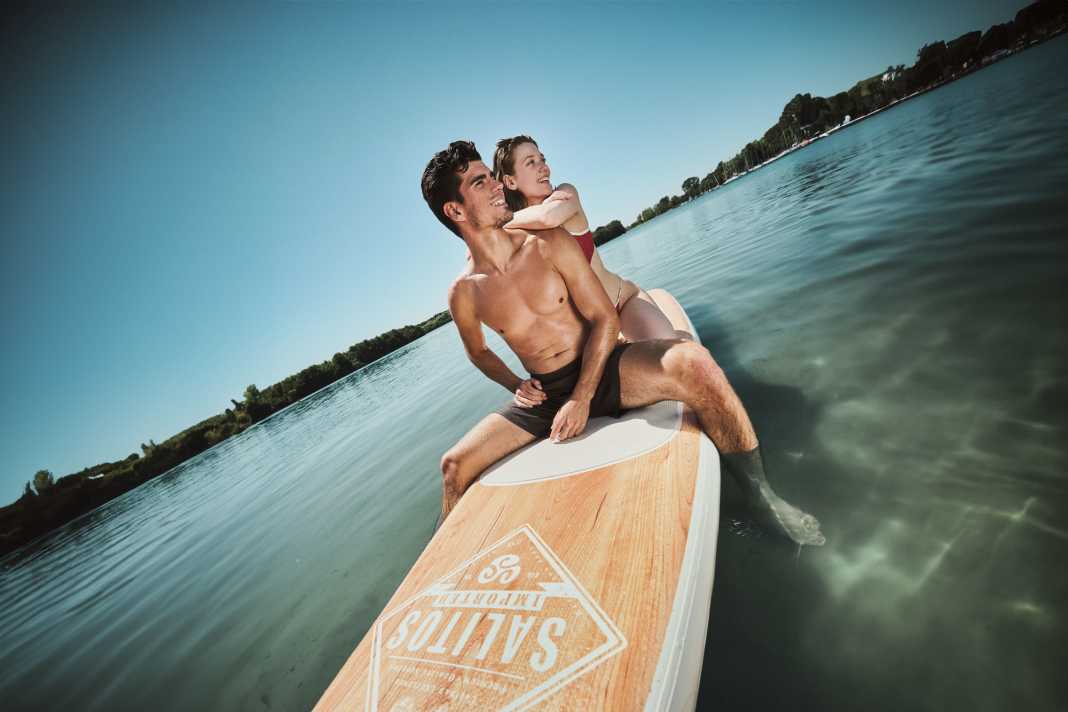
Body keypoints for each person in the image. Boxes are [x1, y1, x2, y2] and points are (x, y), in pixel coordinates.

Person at [422, 140, 823, 547]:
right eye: (479, 182)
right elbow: (478, 351)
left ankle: (762, 496)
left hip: (603, 369)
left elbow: (604, 317)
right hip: (546, 394)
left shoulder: (545, 244)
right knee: (453, 465)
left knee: (695, 364)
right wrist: (514, 386)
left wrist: (581, 398)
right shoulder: (464, 293)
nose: (494, 186)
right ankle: (440, 563)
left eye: (491, 177)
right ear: (455, 211)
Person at [492, 135, 682, 342]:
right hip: (592, 334)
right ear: (510, 181)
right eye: (531, 162)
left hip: (622, 302)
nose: (543, 167)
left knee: (670, 357)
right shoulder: (517, 234)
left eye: (543, 159)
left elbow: (548, 217)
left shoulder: (565, 194)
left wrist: (502, 222)